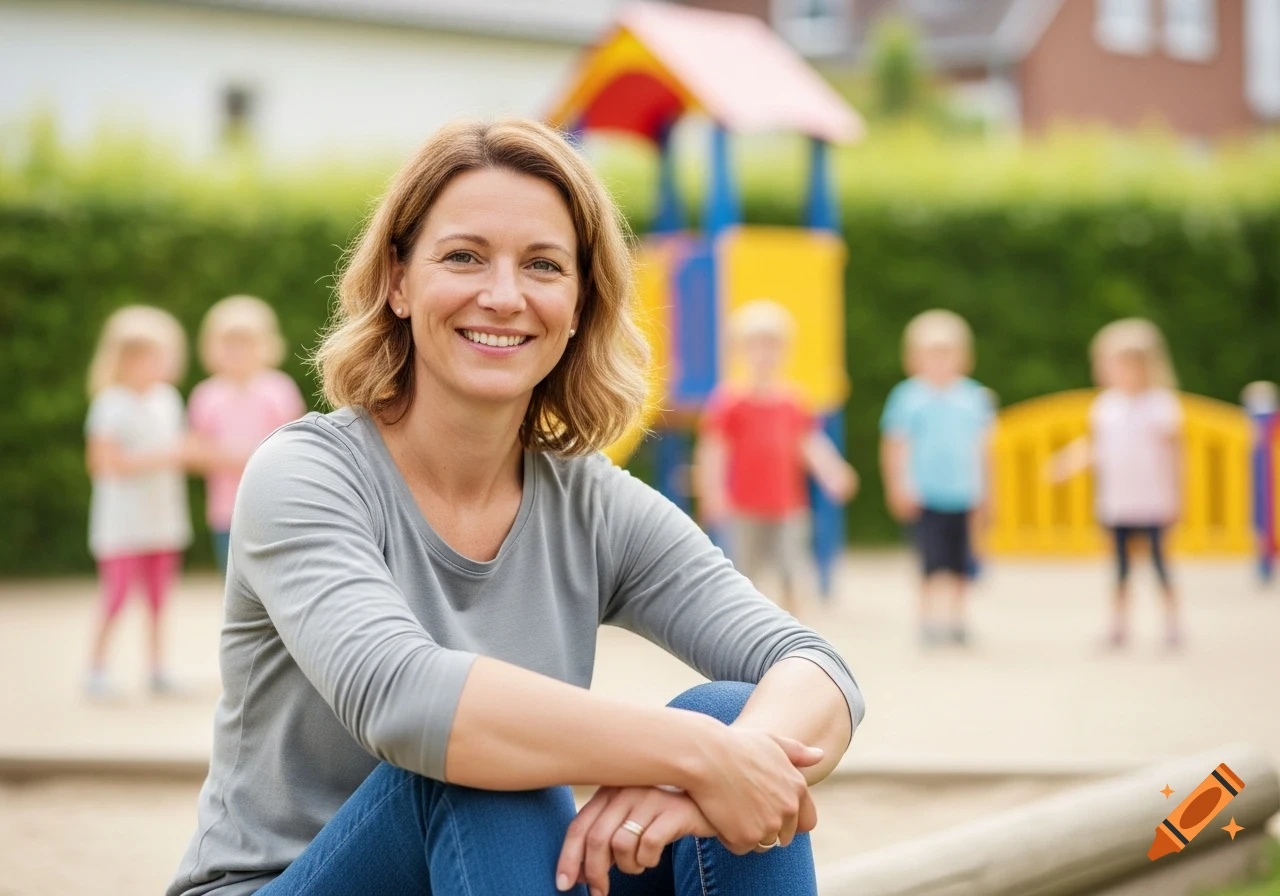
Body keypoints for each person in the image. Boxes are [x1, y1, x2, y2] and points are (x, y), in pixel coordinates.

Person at [168, 119, 863, 896]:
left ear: (578, 303)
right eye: (463, 257)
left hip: (495, 875)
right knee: (474, 761)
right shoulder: (303, 475)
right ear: (398, 280)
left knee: (737, 709)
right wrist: (696, 756)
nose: (503, 297)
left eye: (542, 265)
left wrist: (734, 761)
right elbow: (404, 700)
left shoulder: (590, 501)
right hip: (284, 883)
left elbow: (818, 672)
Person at [694, 300, 858, 615]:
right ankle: (744, 625)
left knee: (792, 569)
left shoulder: (794, 401)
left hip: (787, 505)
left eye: (772, 348)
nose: (764, 356)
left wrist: (832, 472)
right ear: (740, 352)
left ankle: (791, 627)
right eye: (755, 348)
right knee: (744, 572)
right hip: (743, 506)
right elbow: (714, 451)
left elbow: (809, 444)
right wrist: (712, 493)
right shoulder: (729, 402)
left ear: (785, 352)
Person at [1052, 318, 1183, 649]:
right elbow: (1098, 447)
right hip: (1118, 501)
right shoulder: (1106, 407)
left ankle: (1171, 622)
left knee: (1159, 564)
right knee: (1120, 568)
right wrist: (1068, 462)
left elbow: (1175, 455)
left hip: (1152, 501)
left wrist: (1177, 496)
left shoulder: (1161, 406)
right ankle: (1119, 624)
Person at [84, 305, 192, 697]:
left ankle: (157, 669)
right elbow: (102, 463)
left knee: (159, 601)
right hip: (122, 526)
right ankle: (95, 668)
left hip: (163, 521)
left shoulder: (168, 399)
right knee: (115, 598)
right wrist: (166, 456)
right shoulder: (109, 404)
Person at [880, 310, 992, 647]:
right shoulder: (907, 397)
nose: (940, 361)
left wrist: (987, 493)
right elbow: (895, 446)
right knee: (929, 562)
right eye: (932, 353)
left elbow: (984, 450)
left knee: (961, 563)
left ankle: (958, 619)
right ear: (914, 358)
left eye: (947, 353)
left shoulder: (975, 398)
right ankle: (927, 620)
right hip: (926, 494)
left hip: (964, 493)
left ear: (964, 356)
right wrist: (897, 486)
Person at [188, 295, 306, 573]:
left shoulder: (279, 389)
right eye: (230, 345)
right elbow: (194, 452)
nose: (238, 353)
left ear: (267, 345)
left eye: (247, 344)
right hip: (226, 512)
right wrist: (244, 457)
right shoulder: (206, 396)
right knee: (234, 579)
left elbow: (295, 444)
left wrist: (239, 458)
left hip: (275, 506)